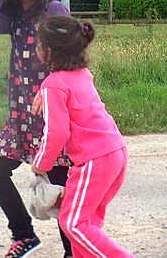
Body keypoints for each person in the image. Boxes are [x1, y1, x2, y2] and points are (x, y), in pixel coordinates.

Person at [0, 0, 73, 258]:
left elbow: (71, 59)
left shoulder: (54, 10)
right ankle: (24, 235)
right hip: (19, 120)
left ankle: (75, 251)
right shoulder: (13, 16)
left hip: (51, 122)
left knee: (59, 191)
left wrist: (54, 95)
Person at [32, 15, 134, 258]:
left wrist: (40, 165)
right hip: (114, 153)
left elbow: (57, 133)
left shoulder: (53, 84)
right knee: (86, 222)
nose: (36, 48)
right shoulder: (81, 74)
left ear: (49, 51)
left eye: (39, 43)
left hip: (94, 160)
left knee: (72, 223)